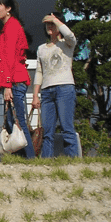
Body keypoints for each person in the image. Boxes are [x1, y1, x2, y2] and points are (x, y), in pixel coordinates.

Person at [0, 0, 35, 159]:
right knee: (12, 121)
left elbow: (9, 57)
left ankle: (30, 159)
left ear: (8, 8)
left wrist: (8, 84)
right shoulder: (7, 27)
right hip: (12, 80)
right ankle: (23, 158)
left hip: (15, 80)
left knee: (19, 122)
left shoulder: (12, 27)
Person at [32, 12, 80, 157]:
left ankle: (73, 162)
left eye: (52, 23)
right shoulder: (41, 48)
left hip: (65, 87)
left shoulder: (67, 44)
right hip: (46, 91)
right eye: (47, 23)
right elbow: (39, 72)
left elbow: (71, 36)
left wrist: (56, 20)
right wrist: (35, 95)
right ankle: (47, 161)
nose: (49, 26)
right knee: (47, 131)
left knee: (67, 128)